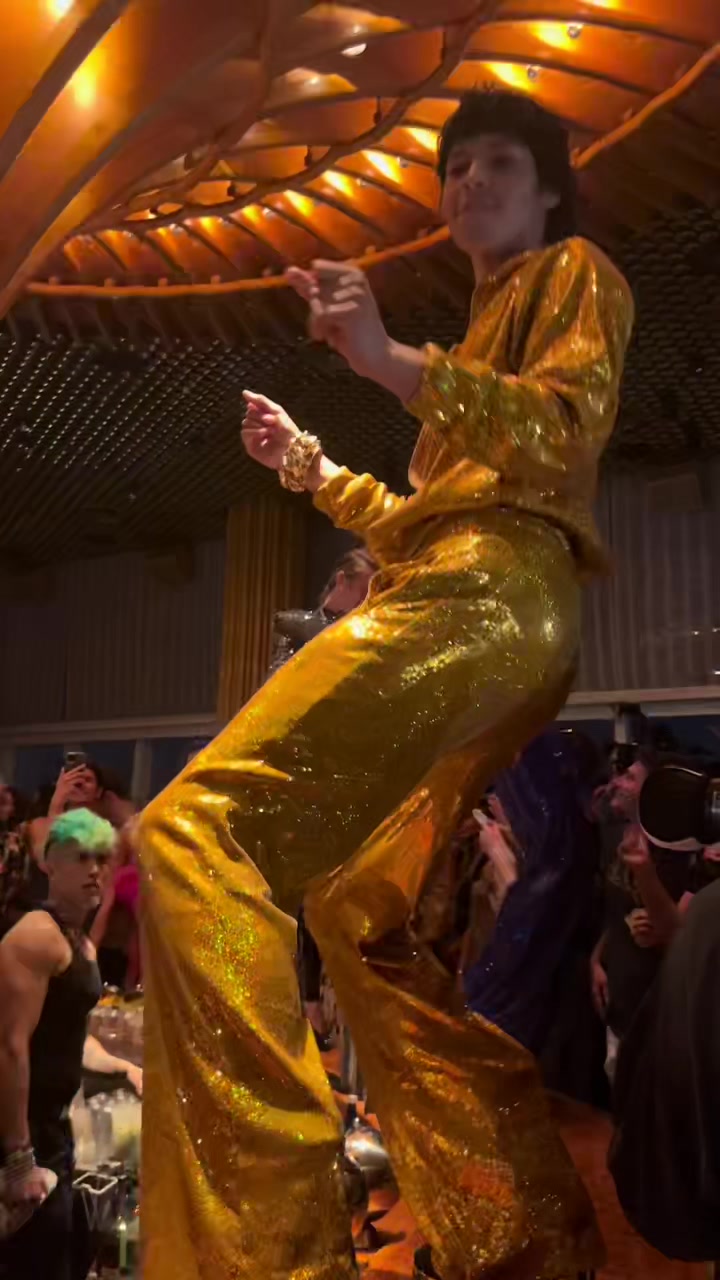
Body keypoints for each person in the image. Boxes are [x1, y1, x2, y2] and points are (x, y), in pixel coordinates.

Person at [139, 89, 633, 1280]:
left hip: (489, 594)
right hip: (487, 602)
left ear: (550, 187)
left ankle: (273, 1248)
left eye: (498, 161)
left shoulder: (575, 272)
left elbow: (562, 431)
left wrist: (391, 361)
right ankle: (517, 1226)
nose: (470, 182)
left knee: (192, 829)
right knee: (356, 916)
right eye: (456, 167)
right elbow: (422, 522)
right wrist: (307, 463)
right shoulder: (481, 333)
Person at [0, 809, 142, 1280]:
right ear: (49, 864)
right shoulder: (37, 935)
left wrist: (124, 1067)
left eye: (101, 858)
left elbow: (68, 1037)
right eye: (80, 857)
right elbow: (9, 1048)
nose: (94, 869)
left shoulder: (81, 945)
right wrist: (18, 1159)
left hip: (53, 1132)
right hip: (23, 1134)